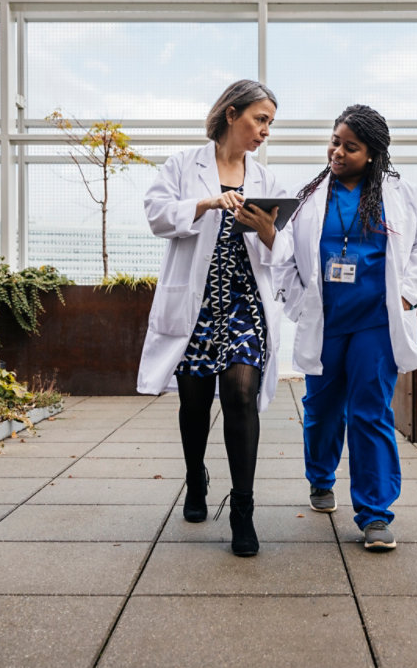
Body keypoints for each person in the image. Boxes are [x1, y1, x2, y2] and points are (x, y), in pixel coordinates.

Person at [274, 104, 417, 551]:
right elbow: (284, 254)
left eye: (351, 147)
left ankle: (375, 514)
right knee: (322, 409)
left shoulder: (399, 192)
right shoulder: (308, 194)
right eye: (334, 141)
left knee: (371, 412)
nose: (338, 152)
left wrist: (408, 295)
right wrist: (299, 301)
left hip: (377, 322)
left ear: (372, 154)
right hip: (325, 321)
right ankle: (321, 476)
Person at [137, 80, 290, 557]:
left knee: (242, 394)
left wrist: (266, 230)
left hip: (245, 304)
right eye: (259, 119)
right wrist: (205, 204)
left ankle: (242, 509)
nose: (264, 131)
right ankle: (195, 478)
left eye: (269, 123)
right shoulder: (184, 166)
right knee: (195, 403)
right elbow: (156, 215)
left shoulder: (266, 182)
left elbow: (282, 251)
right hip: (198, 307)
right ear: (231, 114)